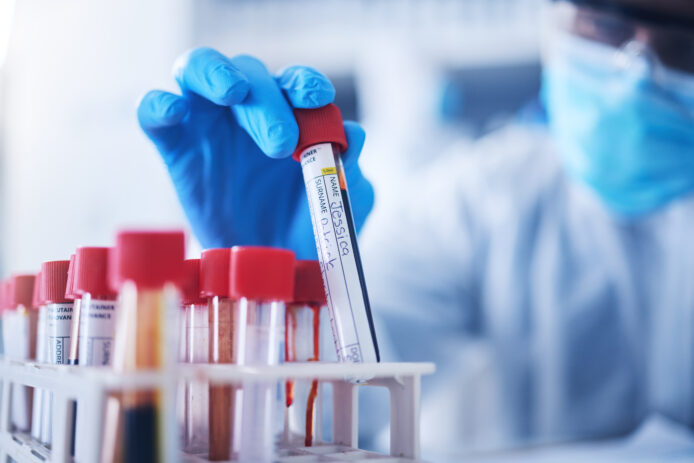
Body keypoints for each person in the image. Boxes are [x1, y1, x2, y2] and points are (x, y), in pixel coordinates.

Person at [137, 0, 694, 458]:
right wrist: (286, 305)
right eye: (604, 21)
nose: (635, 67)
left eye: (682, 38)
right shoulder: (489, 194)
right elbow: (345, 403)